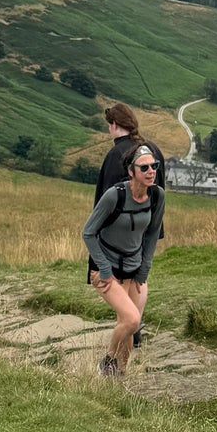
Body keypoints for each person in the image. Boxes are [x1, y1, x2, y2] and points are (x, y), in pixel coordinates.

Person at [81, 143, 165, 377]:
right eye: (145, 167)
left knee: (129, 326)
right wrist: (104, 268)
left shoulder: (157, 196)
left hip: (134, 270)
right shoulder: (114, 196)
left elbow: (152, 235)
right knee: (131, 319)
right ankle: (108, 361)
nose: (151, 171)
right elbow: (88, 232)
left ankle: (120, 376)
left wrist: (144, 270)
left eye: (154, 166)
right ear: (131, 171)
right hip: (105, 271)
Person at [92, 103, 165, 346]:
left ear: (113, 125)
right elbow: (158, 190)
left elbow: (107, 199)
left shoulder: (116, 155)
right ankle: (134, 326)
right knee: (140, 277)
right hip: (146, 227)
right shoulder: (151, 149)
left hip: (119, 233)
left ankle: (128, 328)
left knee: (121, 285)